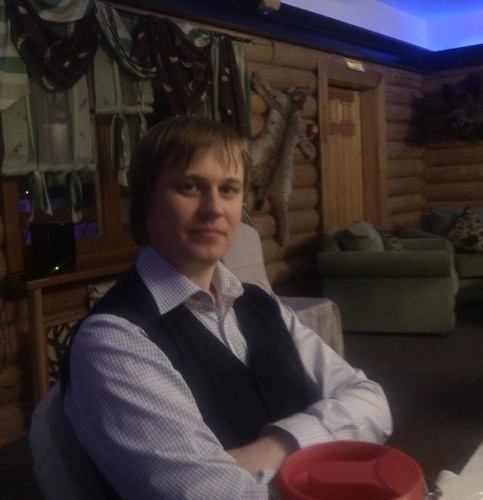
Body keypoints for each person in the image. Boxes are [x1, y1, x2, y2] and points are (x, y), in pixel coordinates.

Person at [62, 115, 392, 499]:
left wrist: (280, 443)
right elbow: (211, 493)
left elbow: (372, 401)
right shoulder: (113, 339)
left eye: (229, 189)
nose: (214, 208)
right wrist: (325, 446)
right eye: (189, 187)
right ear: (144, 203)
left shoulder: (260, 304)